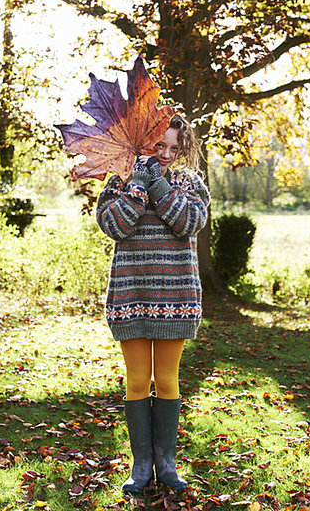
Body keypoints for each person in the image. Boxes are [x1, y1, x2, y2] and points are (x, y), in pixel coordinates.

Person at [96, 112, 210, 494]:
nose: (166, 153)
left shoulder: (190, 182)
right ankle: (141, 464)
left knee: (166, 379)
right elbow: (114, 225)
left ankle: (166, 462)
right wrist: (137, 186)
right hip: (131, 295)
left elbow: (190, 221)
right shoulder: (119, 180)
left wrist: (159, 186)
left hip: (176, 296)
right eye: (159, 145)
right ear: (145, 140)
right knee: (138, 379)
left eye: (174, 148)